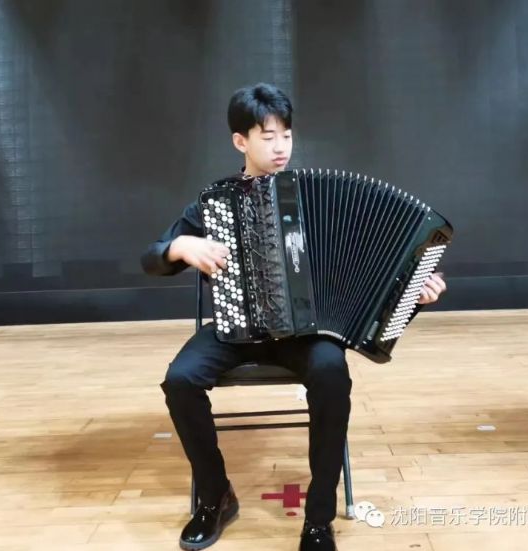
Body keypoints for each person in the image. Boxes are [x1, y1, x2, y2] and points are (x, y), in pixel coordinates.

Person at [141, 83, 447, 551]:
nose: (280, 146)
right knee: (180, 380)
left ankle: (318, 518)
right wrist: (180, 246)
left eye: (286, 135)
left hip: (307, 334)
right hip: (236, 329)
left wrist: (413, 294)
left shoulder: (318, 196)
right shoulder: (215, 201)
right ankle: (215, 496)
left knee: (331, 372)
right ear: (240, 141)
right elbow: (151, 257)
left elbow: (372, 280)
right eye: (267, 137)